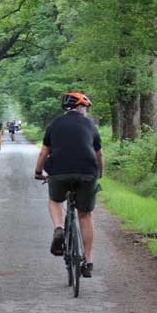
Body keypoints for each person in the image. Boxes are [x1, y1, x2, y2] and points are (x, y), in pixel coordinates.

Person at [33, 92, 103, 278]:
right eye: (86, 108)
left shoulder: (54, 124)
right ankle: (87, 262)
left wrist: (38, 172)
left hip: (59, 171)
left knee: (55, 200)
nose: (86, 112)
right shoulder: (90, 125)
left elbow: (44, 152)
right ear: (80, 107)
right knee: (85, 215)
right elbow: (99, 154)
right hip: (87, 172)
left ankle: (58, 228)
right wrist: (100, 173)